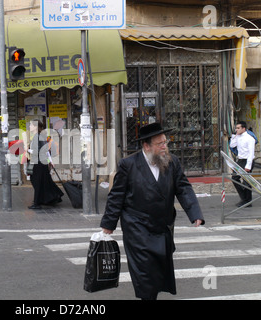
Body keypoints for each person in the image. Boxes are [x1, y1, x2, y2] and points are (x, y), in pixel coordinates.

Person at [100, 122, 204, 300]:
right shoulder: (128, 164)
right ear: (146, 146)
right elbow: (116, 196)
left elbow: (183, 188)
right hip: (137, 229)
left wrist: (195, 214)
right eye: (160, 144)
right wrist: (109, 224)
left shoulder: (172, 162)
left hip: (162, 228)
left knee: (157, 272)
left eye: (166, 142)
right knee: (145, 274)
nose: (165, 147)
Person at [27, 120, 63, 210]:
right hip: (40, 163)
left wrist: (27, 150)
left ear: (36, 127)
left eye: (31, 125)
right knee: (44, 181)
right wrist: (50, 161)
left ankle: (37, 203)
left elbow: (38, 151)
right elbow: (46, 150)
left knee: (37, 182)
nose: (29, 126)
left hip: (38, 163)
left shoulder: (37, 137)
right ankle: (49, 198)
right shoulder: (39, 136)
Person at [229, 121, 256, 207]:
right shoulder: (238, 137)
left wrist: (248, 165)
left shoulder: (250, 138)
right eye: (236, 128)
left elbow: (251, 153)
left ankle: (247, 201)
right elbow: (232, 145)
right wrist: (234, 135)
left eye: (238, 128)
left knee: (246, 181)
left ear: (243, 129)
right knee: (234, 178)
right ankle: (244, 198)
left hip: (247, 160)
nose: (236, 129)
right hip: (240, 160)